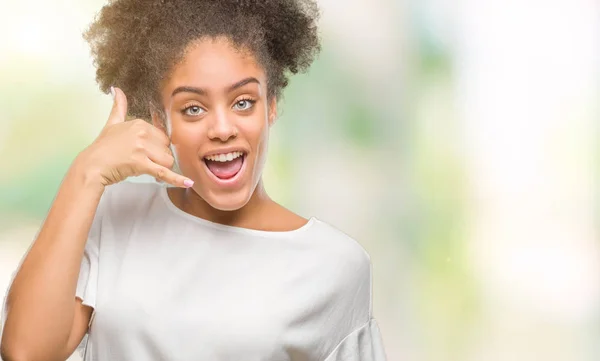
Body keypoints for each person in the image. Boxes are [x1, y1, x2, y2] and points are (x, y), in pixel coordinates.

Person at [0, 0, 387, 360]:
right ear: (158, 118)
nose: (222, 129)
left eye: (243, 102)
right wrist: (86, 172)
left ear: (271, 105)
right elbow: (25, 352)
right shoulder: (114, 215)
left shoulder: (335, 265)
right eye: (193, 108)